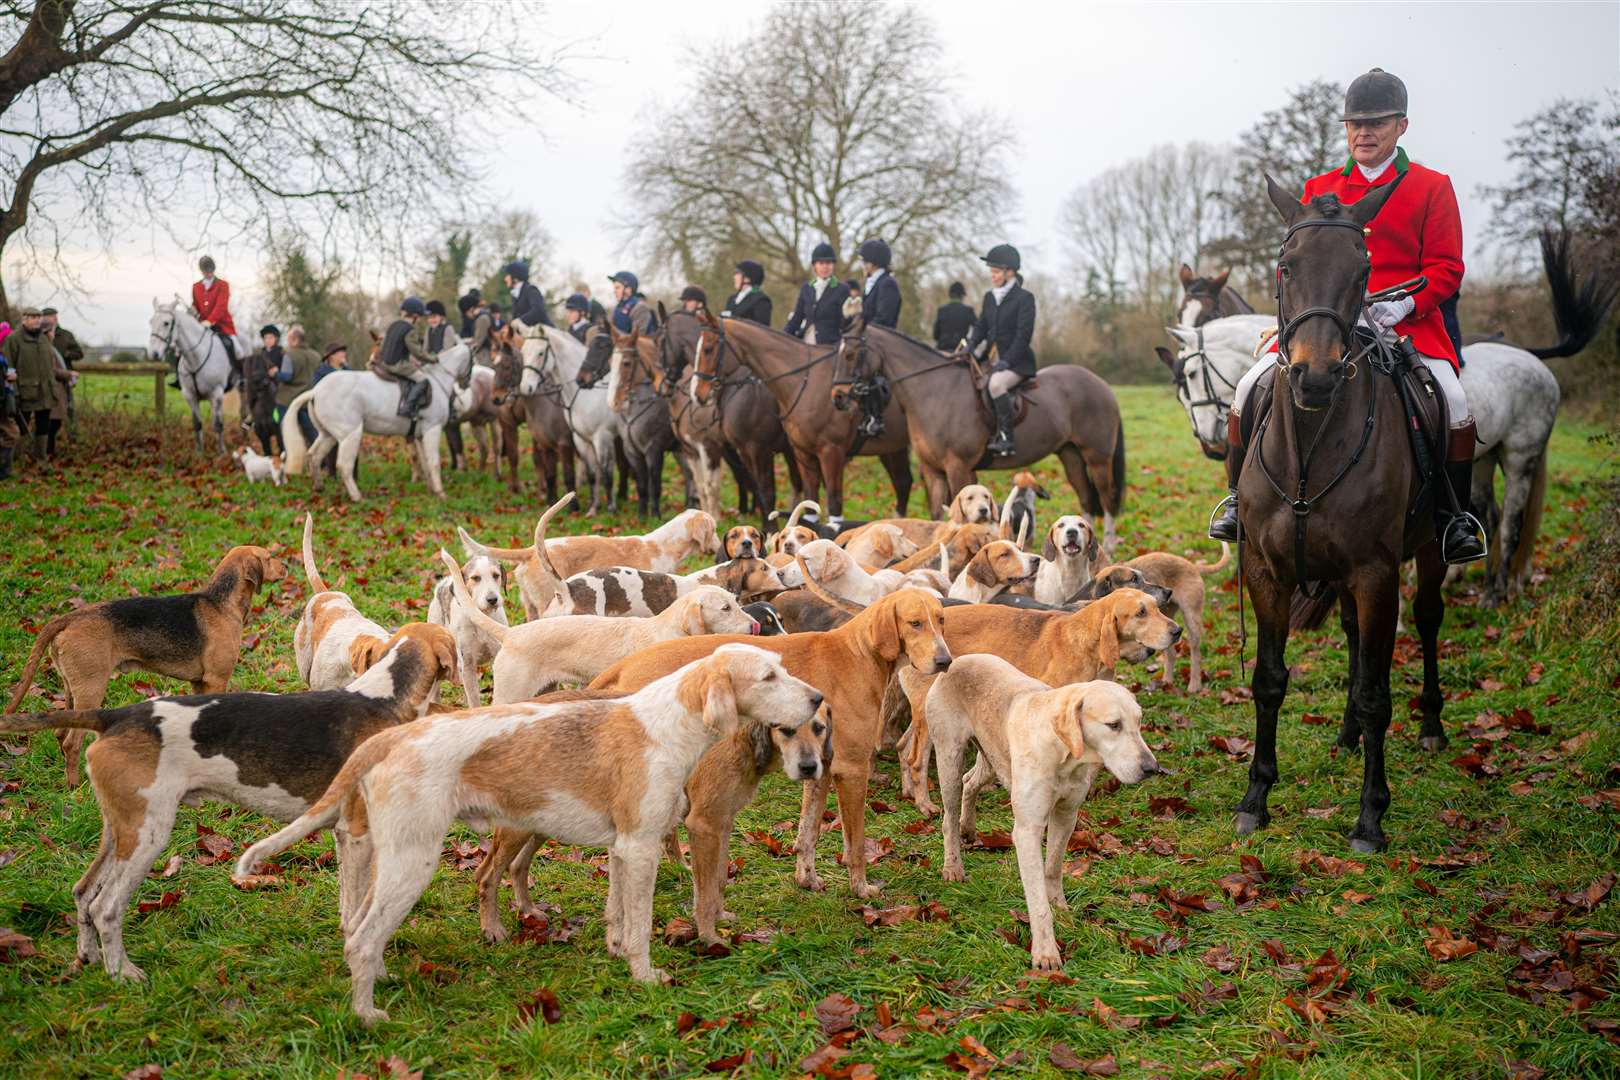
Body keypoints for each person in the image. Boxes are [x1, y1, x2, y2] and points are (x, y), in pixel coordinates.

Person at [1207, 68, 1484, 564]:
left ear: (1401, 126)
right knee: (1249, 387)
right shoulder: (1322, 186)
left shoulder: (1430, 186)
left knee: (1455, 400)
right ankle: (1236, 501)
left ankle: (1452, 519)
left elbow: (1447, 268)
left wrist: (1403, 304)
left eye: (1376, 123)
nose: (1364, 133)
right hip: (1325, 322)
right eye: (1355, 124)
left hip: (1408, 325)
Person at [964, 245, 1037, 457]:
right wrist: (970, 346)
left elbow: (1023, 336)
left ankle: (1007, 438)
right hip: (991, 358)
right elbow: (981, 327)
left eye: (996, 272)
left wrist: (1007, 361)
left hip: (1017, 362)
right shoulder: (990, 297)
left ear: (1010, 272)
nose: (992, 276)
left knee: (996, 385)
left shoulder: (1024, 298)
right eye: (991, 271)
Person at [4, 307, 69, 463]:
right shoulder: (13, 339)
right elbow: (9, 367)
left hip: (45, 391)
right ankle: (16, 458)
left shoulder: (44, 339)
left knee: (43, 426)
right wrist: (14, 392)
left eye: (38, 317)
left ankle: (40, 458)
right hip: (24, 391)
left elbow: (49, 367)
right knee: (21, 427)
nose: (37, 320)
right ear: (24, 319)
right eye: (33, 317)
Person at [379, 296, 436, 418]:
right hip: (397, 365)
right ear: (415, 316)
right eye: (420, 316)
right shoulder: (410, 330)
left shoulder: (393, 325)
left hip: (384, 362)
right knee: (423, 379)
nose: (420, 319)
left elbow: (384, 346)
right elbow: (418, 353)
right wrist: (433, 359)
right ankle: (407, 408)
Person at [188, 255, 238, 391]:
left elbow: (221, 306)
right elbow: (196, 304)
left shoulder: (223, 285)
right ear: (201, 271)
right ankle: (181, 378)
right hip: (202, 327)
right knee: (185, 346)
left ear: (213, 270)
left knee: (235, 347)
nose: (207, 273)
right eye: (205, 270)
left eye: (209, 270)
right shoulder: (196, 287)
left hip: (222, 326)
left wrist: (210, 321)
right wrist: (192, 310)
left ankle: (239, 376)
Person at [783, 243, 849, 345]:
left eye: (828, 263)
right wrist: (782, 337)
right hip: (806, 341)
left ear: (833, 265)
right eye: (821, 263)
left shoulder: (842, 289)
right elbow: (796, 318)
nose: (825, 267)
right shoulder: (806, 288)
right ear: (814, 266)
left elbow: (845, 323)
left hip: (830, 345)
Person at [276, 325, 320, 443]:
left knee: (287, 431)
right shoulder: (315, 355)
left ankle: (288, 456)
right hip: (307, 399)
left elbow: (286, 377)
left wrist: (275, 373)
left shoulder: (289, 355)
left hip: (287, 401)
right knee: (311, 431)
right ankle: (319, 457)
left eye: (289, 339)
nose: (288, 342)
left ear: (295, 340)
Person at [41, 307, 82, 434]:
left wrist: (66, 354)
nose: (54, 319)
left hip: (65, 377)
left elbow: (79, 353)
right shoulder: (41, 336)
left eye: (55, 316)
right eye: (51, 316)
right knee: (50, 414)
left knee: (68, 407)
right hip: (49, 377)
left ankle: (72, 434)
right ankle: (47, 441)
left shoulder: (66, 335)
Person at [244, 324, 284, 453]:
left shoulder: (281, 353)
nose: (268, 340)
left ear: (276, 339)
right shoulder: (260, 355)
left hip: (277, 386)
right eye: (266, 338)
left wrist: (277, 371)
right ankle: (251, 417)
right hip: (261, 388)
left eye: (270, 338)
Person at [856, 239, 901, 329]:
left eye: (863, 261)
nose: (861, 265)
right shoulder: (873, 283)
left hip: (879, 340)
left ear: (872, 263)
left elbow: (884, 319)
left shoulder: (887, 284)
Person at [504, 260, 553, 330]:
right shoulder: (515, 294)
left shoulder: (531, 290)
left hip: (545, 333)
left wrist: (519, 321)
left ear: (515, 277)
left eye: (507, 275)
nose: (505, 279)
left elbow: (538, 311)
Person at [933, 282, 976, 353]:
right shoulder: (968, 311)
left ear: (950, 295)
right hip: (961, 349)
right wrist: (970, 341)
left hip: (942, 349)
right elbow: (978, 329)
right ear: (962, 296)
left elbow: (935, 335)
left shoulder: (941, 310)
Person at [724, 260, 772, 325]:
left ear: (747, 278)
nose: (734, 277)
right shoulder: (732, 299)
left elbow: (761, 329)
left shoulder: (761, 301)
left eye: (737, 273)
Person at [608, 270, 656, 335]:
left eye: (617, 288)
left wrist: (613, 333)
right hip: (620, 344)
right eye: (614, 288)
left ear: (628, 289)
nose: (614, 291)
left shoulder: (640, 307)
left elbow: (636, 338)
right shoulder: (617, 308)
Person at [461, 292, 493, 369]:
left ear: (471, 309)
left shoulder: (482, 319)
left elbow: (477, 343)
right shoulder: (480, 317)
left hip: (486, 357)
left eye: (466, 313)